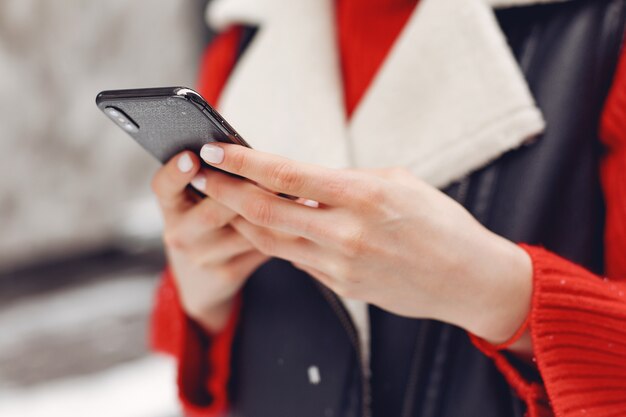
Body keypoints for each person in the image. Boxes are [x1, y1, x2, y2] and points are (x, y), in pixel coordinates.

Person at [150, 0, 626, 416]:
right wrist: (201, 303)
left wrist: (501, 294)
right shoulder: (242, 38)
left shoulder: (603, 30)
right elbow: (213, 389)